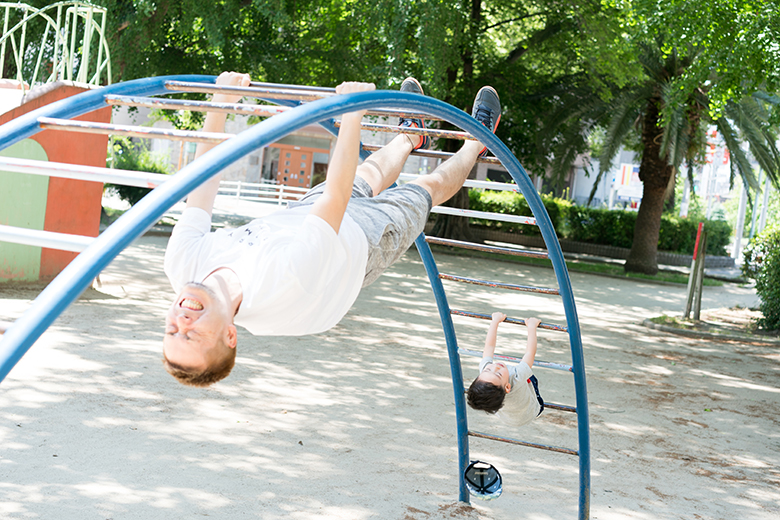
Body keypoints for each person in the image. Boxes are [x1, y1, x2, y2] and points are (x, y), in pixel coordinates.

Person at [162, 72, 502, 387]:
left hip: (302, 219)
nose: (182, 322)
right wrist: (351, 114)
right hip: (358, 249)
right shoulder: (283, 284)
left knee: (368, 174)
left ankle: (409, 136)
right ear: (229, 335)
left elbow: (201, 186)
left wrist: (219, 104)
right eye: (191, 336)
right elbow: (335, 201)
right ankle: (477, 140)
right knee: (424, 189)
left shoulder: (181, 266)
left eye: (172, 330)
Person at [466, 313, 545, 427]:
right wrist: (532, 327)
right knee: (530, 376)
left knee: (493, 401)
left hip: (508, 420)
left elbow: (489, 346)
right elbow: (530, 353)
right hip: (532, 412)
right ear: (508, 387)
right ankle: (538, 408)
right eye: (498, 374)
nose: (495, 367)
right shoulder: (517, 377)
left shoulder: (486, 374)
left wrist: (495, 322)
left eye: (488, 370)